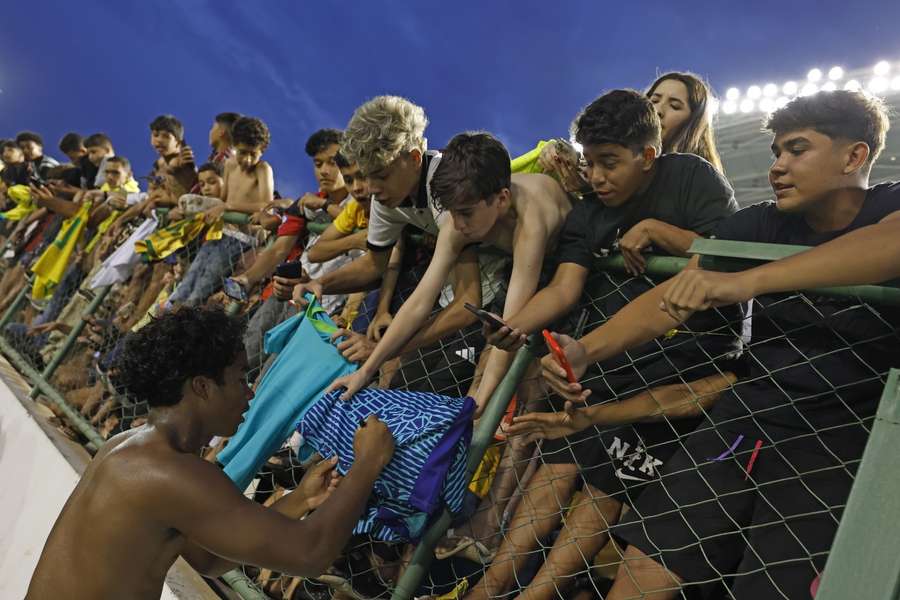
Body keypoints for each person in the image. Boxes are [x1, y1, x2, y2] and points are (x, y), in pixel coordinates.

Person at [533, 90, 899, 599]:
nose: (778, 166)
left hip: (843, 435)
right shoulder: (760, 222)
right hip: (746, 419)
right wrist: (586, 350)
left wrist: (748, 281)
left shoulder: (889, 205)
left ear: (854, 156)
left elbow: (890, 245)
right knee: (643, 572)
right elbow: (674, 296)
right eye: (775, 153)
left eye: (797, 150)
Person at [465, 89, 739, 600]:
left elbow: (733, 252)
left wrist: (659, 230)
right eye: (590, 162)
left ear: (648, 156)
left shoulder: (691, 178)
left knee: (605, 485)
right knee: (560, 461)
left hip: (688, 360)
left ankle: (534, 594)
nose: (596, 177)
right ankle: (488, 588)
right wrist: (515, 326)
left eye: (610, 163)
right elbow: (566, 286)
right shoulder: (590, 213)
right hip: (613, 352)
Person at [26, 307, 395, 600]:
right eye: (239, 379)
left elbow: (207, 557)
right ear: (202, 387)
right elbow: (311, 553)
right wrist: (369, 462)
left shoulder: (132, 447)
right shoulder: (169, 473)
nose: (249, 393)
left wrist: (300, 498)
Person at [329, 131, 571, 411]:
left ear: (502, 200)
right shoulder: (463, 208)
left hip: (568, 264)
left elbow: (512, 319)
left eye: (465, 214)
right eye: (451, 213)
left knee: (520, 374)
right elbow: (420, 300)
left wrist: (481, 400)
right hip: (520, 265)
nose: (456, 225)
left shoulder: (531, 220)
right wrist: (366, 370)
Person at [292, 96, 484, 379]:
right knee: (402, 384)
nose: (370, 188)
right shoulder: (387, 195)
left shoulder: (449, 188)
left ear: (415, 158)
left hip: (509, 292)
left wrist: (382, 348)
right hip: (467, 294)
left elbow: (469, 302)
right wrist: (320, 283)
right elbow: (374, 264)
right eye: (367, 175)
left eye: (380, 175)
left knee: (433, 391)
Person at [538, 71, 724, 195]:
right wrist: (559, 155)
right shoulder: (599, 171)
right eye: (654, 99)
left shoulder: (700, 179)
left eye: (675, 105)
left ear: (694, 123)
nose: (658, 110)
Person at [166, 116, 273, 308]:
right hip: (219, 233)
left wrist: (228, 207)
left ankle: (180, 321)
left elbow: (265, 204)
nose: (247, 160)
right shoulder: (230, 165)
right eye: (242, 152)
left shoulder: (263, 169)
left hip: (241, 239)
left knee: (204, 285)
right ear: (234, 145)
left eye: (253, 154)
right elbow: (222, 199)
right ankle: (166, 315)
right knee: (190, 278)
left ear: (262, 150)